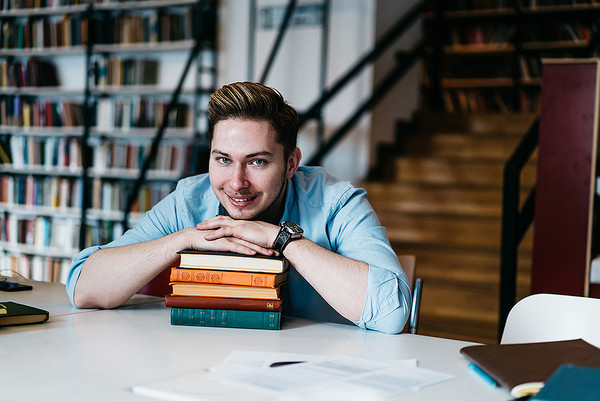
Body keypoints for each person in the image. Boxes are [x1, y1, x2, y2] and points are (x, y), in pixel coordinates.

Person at [66, 81, 411, 334]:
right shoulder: (190, 200)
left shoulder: (337, 202)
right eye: (223, 159)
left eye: (257, 162)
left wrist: (282, 240)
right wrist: (181, 240)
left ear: (291, 163)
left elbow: (391, 314)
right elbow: (84, 287)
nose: (236, 182)